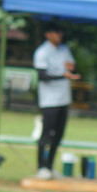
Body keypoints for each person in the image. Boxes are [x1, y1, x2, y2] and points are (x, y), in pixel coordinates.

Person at [33, 23, 80, 179]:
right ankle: (41, 167)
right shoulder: (42, 52)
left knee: (58, 135)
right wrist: (63, 76)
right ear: (48, 34)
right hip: (49, 100)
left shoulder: (64, 50)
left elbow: (70, 66)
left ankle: (50, 166)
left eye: (60, 32)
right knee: (46, 135)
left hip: (63, 98)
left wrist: (71, 68)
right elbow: (42, 76)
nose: (59, 35)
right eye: (56, 32)